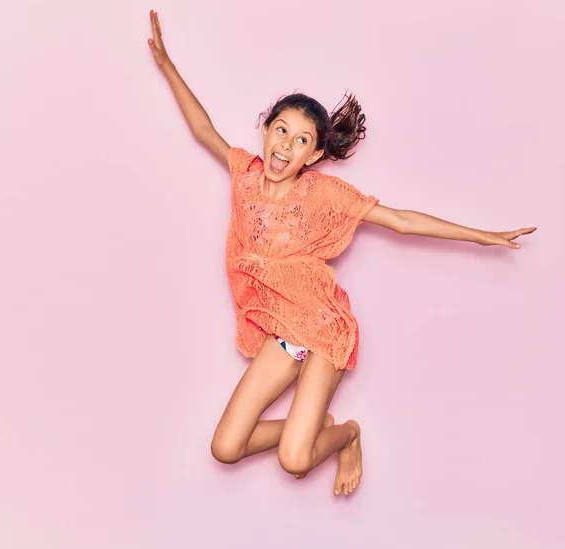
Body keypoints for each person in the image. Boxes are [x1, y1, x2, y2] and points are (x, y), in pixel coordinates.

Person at [147, 9, 536, 496]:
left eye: (302, 140)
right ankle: (311, 425)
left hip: (323, 326)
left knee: (295, 460)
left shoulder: (323, 194)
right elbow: (204, 130)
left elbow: (400, 220)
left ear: (312, 156)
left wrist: (483, 235)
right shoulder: (244, 174)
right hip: (283, 333)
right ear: (266, 130)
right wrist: (166, 64)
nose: (287, 145)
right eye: (281, 130)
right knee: (225, 448)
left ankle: (347, 434)